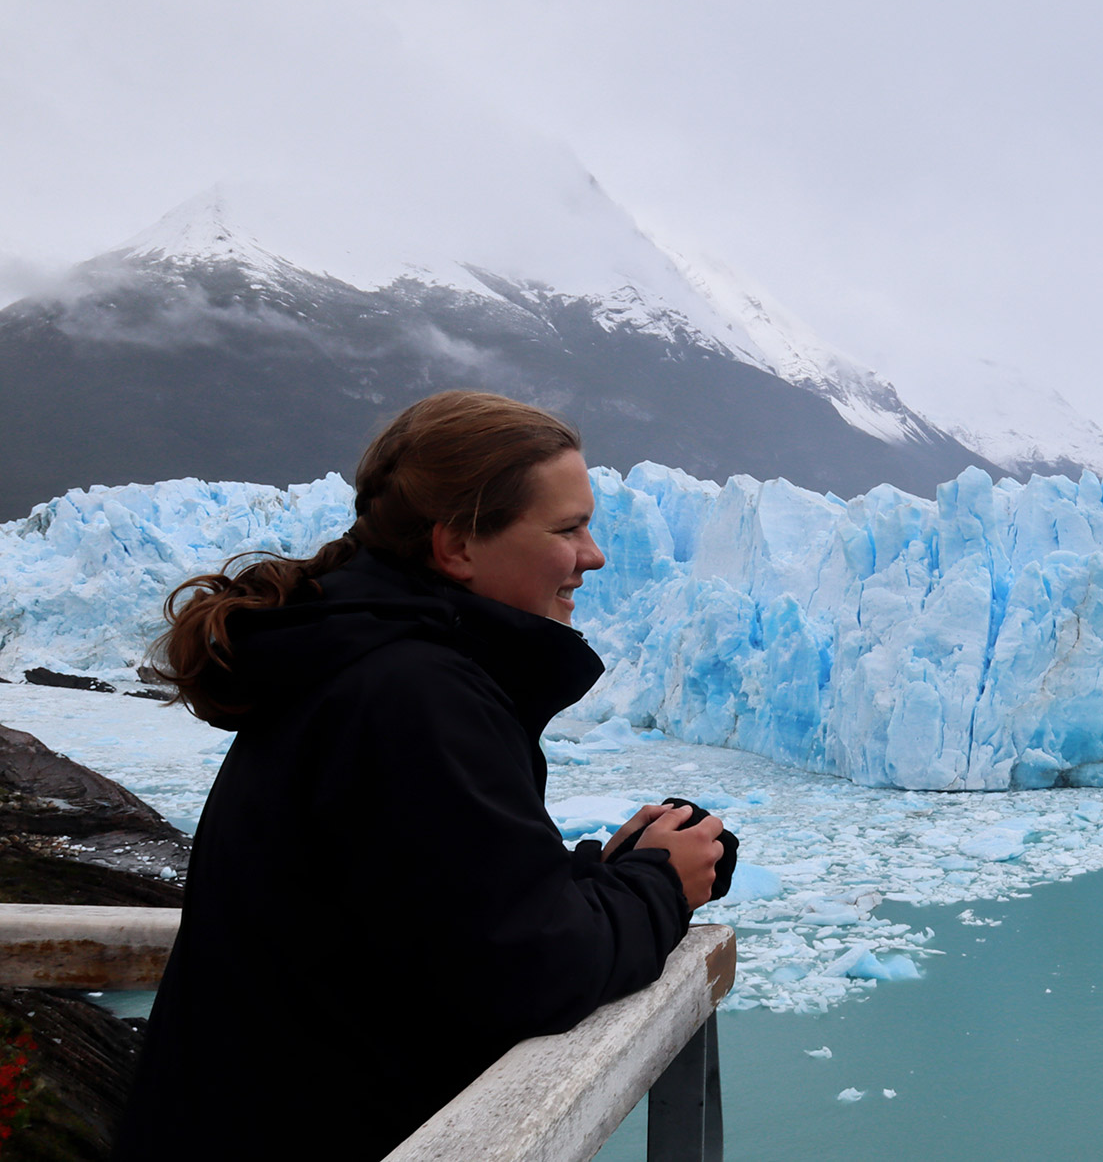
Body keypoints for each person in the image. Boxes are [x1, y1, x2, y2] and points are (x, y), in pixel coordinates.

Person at [114, 391, 728, 1162]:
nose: (595, 553)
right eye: (568, 527)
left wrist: (596, 877)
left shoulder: (358, 656)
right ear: (458, 547)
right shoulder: (415, 692)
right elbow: (531, 970)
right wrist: (660, 887)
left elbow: (422, 911)